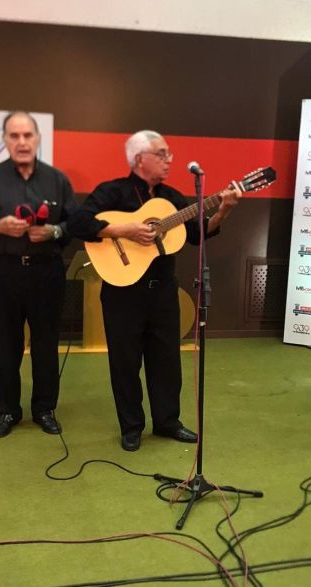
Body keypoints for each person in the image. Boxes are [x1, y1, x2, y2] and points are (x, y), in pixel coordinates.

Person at [68, 130, 241, 451]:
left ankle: (167, 422)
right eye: (161, 154)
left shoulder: (172, 198)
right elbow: (78, 222)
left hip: (162, 291)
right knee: (125, 362)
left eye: (169, 155)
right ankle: (131, 426)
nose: (169, 160)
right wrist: (125, 229)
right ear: (139, 159)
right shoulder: (111, 192)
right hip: (122, 292)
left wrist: (224, 209)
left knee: (166, 360)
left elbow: (197, 233)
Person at [0, 111, 77, 438]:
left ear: (38, 139)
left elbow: (76, 223)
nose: (22, 142)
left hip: (47, 273)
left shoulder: (57, 179)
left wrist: (54, 232)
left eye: (28, 135)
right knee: (7, 347)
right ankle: (8, 411)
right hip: (5, 273)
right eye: (14, 136)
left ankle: (44, 409)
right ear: (5, 140)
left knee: (46, 346)